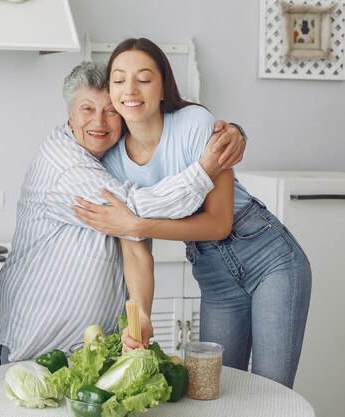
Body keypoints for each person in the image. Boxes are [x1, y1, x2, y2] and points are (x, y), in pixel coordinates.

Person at [73, 38, 312, 388]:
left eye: (144, 78)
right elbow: (135, 250)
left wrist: (139, 223)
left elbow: (218, 223)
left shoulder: (194, 123)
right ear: (109, 89)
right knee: (213, 389)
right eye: (119, 79)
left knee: (270, 391)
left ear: (162, 86)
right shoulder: (111, 162)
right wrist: (141, 320)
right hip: (215, 277)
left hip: (269, 258)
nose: (131, 90)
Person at [0, 61, 246, 363]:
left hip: (94, 349)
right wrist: (208, 167)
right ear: (70, 116)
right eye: (88, 109)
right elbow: (136, 211)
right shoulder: (66, 165)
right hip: (40, 348)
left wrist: (233, 132)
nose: (99, 122)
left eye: (111, 111)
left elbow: (135, 242)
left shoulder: (111, 160)